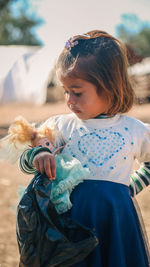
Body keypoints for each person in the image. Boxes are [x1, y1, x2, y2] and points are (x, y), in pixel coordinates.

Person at [15, 30, 150, 266]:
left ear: (109, 86)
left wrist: (129, 188)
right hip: (70, 228)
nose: (69, 100)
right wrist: (41, 153)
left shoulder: (135, 130)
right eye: (66, 91)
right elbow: (26, 158)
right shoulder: (60, 126)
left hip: (115, 223)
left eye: (76, 92)